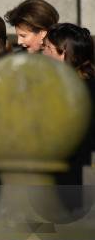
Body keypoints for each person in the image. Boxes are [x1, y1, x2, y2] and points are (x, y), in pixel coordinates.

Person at [43, 23, 95, 185]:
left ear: (63, 53)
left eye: (48, 48)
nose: (43, 53)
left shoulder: (67, 90)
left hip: (70, 178)